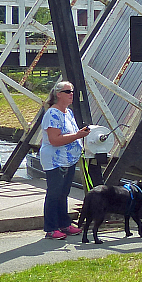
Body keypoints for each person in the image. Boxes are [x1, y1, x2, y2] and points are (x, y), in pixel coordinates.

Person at [38, 80, 91, 239]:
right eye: (68, 92)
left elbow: (71, 133)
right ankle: (51, 228)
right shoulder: (53, 114)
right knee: (54, 193)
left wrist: (79, 134)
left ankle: (65, 224)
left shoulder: (69, 113)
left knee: (63, 193)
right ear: (58, 94)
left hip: (68, 160)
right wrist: (77, 135)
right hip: (55, 160)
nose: (71, 94)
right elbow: (54, 140)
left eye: (72, 91)